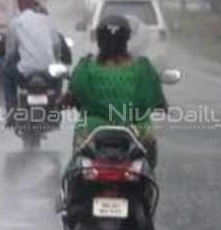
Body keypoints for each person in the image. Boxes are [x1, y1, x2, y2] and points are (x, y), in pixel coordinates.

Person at [63, 15, 168, 170]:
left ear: (99, 39)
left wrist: (63, 104)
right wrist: (162, 106)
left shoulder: (85, 68)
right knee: (148, 152)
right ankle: (146, 181)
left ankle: (72, 188)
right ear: (127, 39)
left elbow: (70, 97)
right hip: (135, 127)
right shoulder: (143, 69)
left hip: (92, 127)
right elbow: (157, 100)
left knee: (77, 164)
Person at [2, 0, 70, 117]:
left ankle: (11, 110)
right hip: (48, 71)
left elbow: (10, 50)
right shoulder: (47, 21)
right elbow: (56, 45)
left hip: (25, 72)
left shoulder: (15, 23)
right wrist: (55, 59)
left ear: (19, 7)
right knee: (59, 76)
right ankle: (56, 107)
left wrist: (8, 60)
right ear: (34, 5)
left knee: (6, 73)